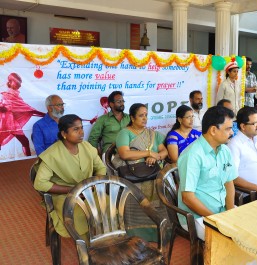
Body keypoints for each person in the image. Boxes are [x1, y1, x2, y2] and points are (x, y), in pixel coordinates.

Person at [34, 114, 106, 238]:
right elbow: (40, 183)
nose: (81, 132)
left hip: (88, 190)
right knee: (80, 215)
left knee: (109, 206)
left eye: (81, 128)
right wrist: (73, 190)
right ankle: (86, 248)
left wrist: (94, 184)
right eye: (75, 129)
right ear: (64, 134)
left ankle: (106, 240)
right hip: (65, 195)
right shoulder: (52, 154)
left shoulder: (87, 147)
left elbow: (101, 167)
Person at [178, 106, 237, 240]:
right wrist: (216, 220)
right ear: (213, 130)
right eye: (228, 128)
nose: (232, 132)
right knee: (232, 239)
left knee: (249, 231)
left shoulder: (224, 150)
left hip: (221, 211)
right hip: (198, 216)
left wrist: (230, 212)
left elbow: (229, 183)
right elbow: (188, 198)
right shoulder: (192, 155)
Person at [112, 103, 168, 241]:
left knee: (162, 190)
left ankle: (158, 232)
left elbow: (164, 151)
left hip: (153, 173)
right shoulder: (124, 133)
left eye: (146, 115)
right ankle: (136, 235)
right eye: (141, 115)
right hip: (133, 176)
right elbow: (124, 154)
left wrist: (155, 157)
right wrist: (148, 152)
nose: (145, 118)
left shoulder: (152, 134)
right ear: (132, 117)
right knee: (135, 196)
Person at [0, 73, 44, 156]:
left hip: (12, 123)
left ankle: (27, 161)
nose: (19, 85)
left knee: (25, 142)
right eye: (17, 82)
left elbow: (26, 108)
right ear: (10, 82)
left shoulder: (15, 95)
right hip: (4, 123)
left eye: (19, 82)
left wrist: (44, 115)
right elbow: (29, 109)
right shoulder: (7, 94)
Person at [88, 91, 130, 156]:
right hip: (110, 153)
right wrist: (96, 155)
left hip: (129, 150)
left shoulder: (129, 118)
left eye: (123, 101)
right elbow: (93, 138)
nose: (122, 104)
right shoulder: (102, 119)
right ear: (111, 104)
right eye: (119, 102)